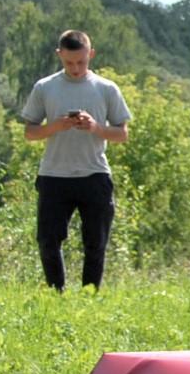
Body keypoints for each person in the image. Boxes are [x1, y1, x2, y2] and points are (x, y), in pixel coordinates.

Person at [20, 29, 132, 291]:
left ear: (90, 54)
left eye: (81, 61)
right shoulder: (45, 87)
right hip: (53, 175)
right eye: (69, 62)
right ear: (59, 55)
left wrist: (95, 128)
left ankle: (89, 297)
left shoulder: (106, 89)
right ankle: (55, 295)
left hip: (94, 175)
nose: (76, 68)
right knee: (48, 241)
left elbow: (122, 134)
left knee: (96, 243)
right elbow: (30, 132)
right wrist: (55, 126)